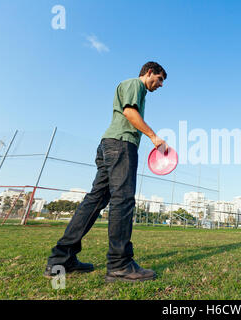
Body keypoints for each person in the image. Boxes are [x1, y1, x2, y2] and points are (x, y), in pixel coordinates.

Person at [44, 61, 168, 282]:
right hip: (121, 145)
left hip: (110, 145)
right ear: (149, 72)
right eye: (159, 79)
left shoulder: (135, 88)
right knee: (123, 200)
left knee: (95, 200)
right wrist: (154, 136)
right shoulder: (134, 85)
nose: (160, 85)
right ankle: (120, 265)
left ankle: (60, 260)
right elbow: (130, 112)